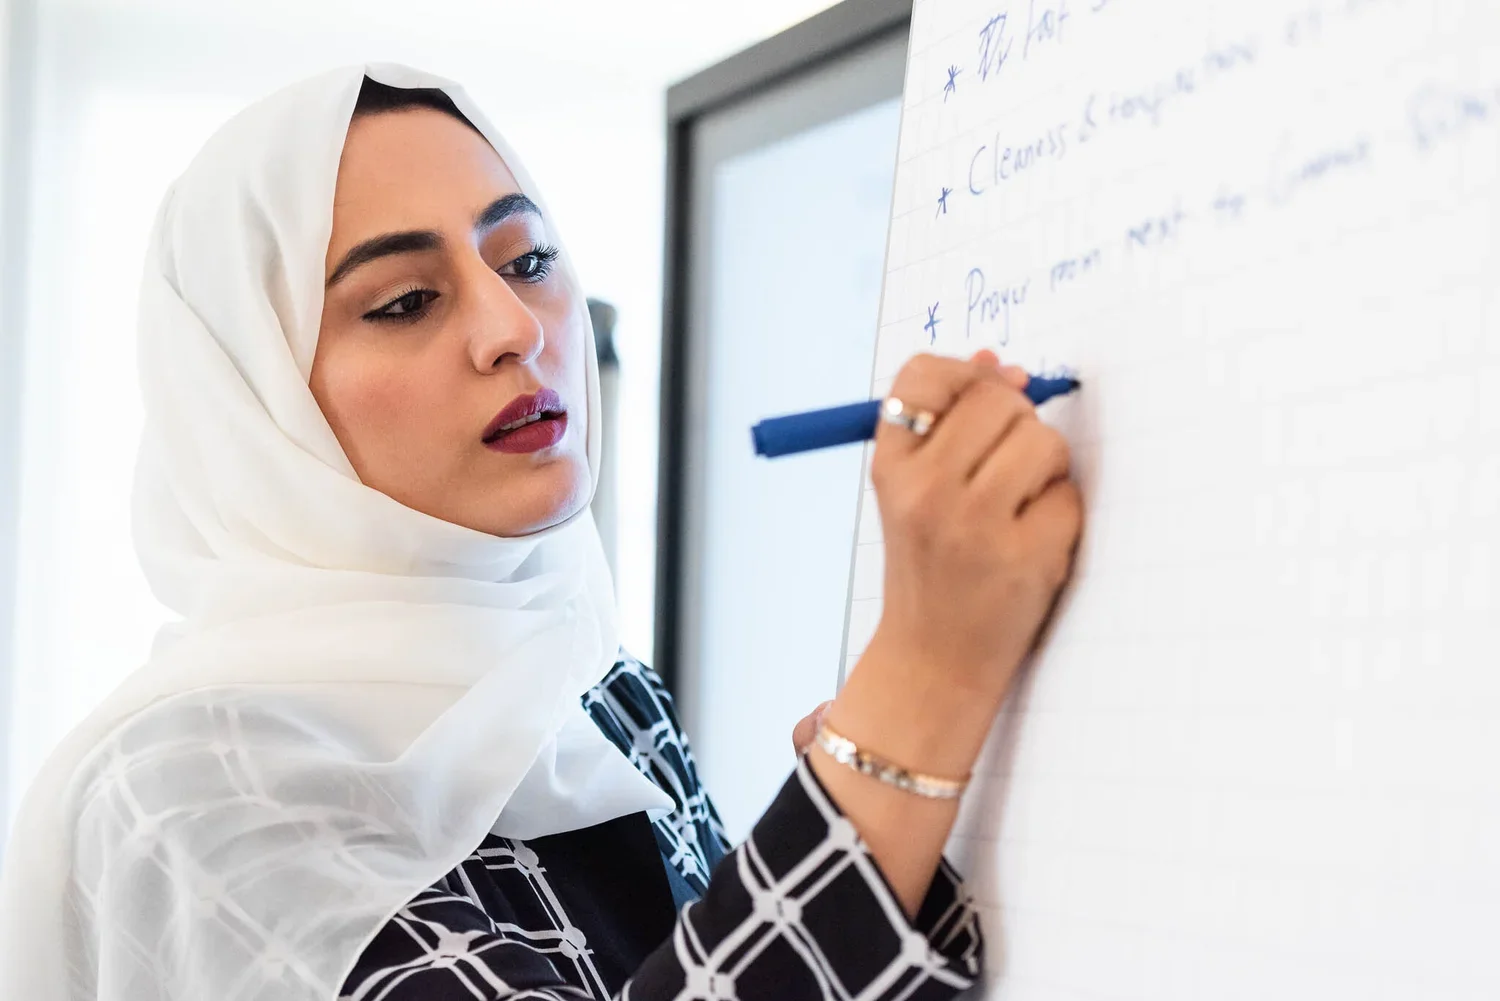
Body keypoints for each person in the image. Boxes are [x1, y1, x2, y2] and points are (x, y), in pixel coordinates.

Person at [0, 64, 1081, 1001]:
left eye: (524, 260)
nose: (516, 327)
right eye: (406, 300)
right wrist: (918, 688)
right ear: (251, 403)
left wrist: (877, 803)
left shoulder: (589, 687)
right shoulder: (190, 794)